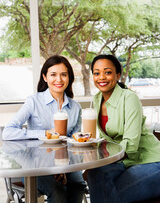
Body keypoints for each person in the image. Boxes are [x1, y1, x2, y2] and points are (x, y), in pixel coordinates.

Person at [2, 55, 86, 203]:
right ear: (45, 77)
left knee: (78, 185)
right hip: (35, 166)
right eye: (53, 74)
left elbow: (73, 143)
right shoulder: (33, 102)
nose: (58, 80)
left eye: (63, 75)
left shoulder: (75, 108)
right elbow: (8, 132)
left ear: (69, 78)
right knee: (57, 191)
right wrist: (45, 134)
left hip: (66, 164)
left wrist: (63, 168)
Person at [86, 54, 160, 203]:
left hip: (150, 161)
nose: (101, 77)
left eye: (107, 72)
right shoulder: (96, 100)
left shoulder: (129, 98)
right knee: (94, 174)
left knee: (111, 195)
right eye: (96, 73)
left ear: (118, 75)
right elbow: (102, 140)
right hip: (125, 162)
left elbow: (131, 146)